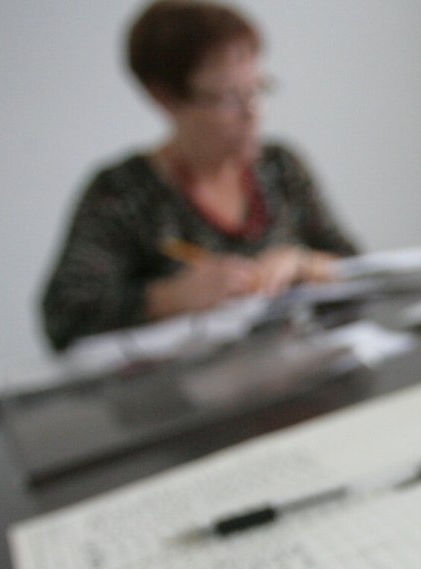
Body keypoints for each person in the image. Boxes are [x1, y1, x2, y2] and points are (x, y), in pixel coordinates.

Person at [40, 0, 357, 352]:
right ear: (164, 97)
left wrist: (301, 261)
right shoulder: (121, 193)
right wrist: (167, 298)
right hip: (184, 399)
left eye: (257, 89)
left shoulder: (281, 168)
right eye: (228, 98)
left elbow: (356, 265)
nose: (252, 113)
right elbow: (63, 316)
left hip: (306, 377)